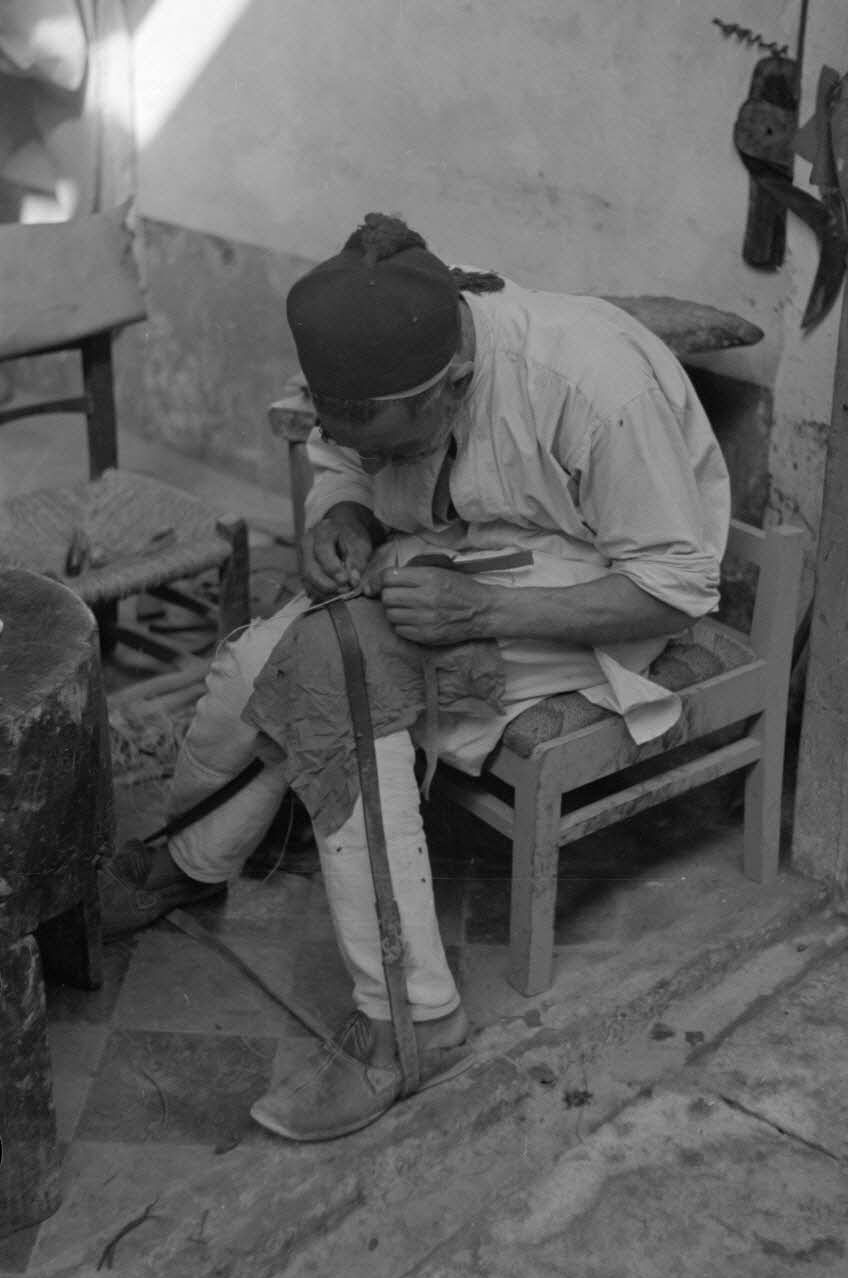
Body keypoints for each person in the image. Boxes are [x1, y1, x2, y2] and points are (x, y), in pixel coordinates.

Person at [100, 211, 730, 1141]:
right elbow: (337, 458)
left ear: (458, 383)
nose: (380, 461)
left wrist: (484, 613)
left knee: (342, 676)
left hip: (592, 593)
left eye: (396, 448)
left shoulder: (591, 382)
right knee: (256, 663)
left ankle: (413, 1020)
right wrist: (344, 513)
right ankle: (193, 860)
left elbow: (675, 590)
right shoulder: (384, 333)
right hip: (452, 561)